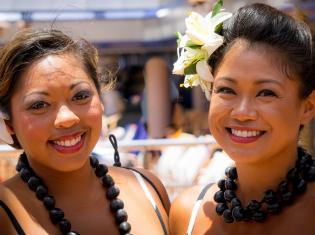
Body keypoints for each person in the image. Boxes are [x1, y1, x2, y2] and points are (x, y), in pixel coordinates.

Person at [0, 28, 170, 235]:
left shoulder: (148, 188)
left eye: (80, 96)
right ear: (9, 124)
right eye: (39, 105)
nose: (67, 118)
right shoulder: (4, 213)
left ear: (100, 100)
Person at [170, 2, 315, 235]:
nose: (242, 112)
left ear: (307, 107)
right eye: (227, 90)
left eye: (266, 93)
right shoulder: (187, 213)